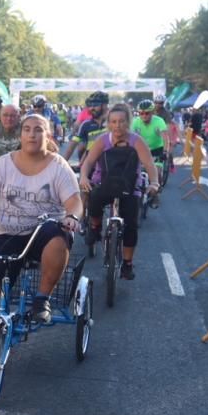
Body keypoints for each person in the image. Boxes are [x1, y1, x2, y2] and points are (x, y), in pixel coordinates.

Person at [0, 112, 82, 322]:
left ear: (48, 135)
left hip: (43, 231)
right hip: (6, 231)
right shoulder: (4, 163)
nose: (32, 135)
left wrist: (72, 216)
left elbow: (74, 201)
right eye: (27, 130)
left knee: (58, 236)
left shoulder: (58, 166)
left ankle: (42, 299)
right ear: (20, 136)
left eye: (38, 130)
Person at [78, 103, 159, 281]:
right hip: (104, 183)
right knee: (94, 199)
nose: (117, 126)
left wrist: (154, 183)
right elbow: (89, 162)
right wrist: (84, 177)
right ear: (109, 123)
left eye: (121, 121)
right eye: (113, 122)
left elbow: (149, 164)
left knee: (131, 224)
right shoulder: (102, 141)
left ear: (128, 122)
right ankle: (95, 226)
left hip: (130, 187)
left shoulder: (137, 141)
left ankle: (127, 264)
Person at [130, 99, 169, 205]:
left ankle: (155, 194)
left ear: (152, 113)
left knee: (157, 172)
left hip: (156, 149)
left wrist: (165, 152)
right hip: (141, 149)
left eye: (147, 113)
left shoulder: (159, 121)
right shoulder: (135, 121)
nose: (144, 116)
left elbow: (165, 138)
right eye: (141, 113)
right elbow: (129, 137)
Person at [64, 92, 109, 164]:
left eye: (95, 105)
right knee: (81, 146)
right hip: (90, 166)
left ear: (104, 105)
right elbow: (73, 145)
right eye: (90, 105)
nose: (92, 108)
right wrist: (61, 164)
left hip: (110, 165)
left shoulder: (114, 122)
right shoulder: (86, 124)